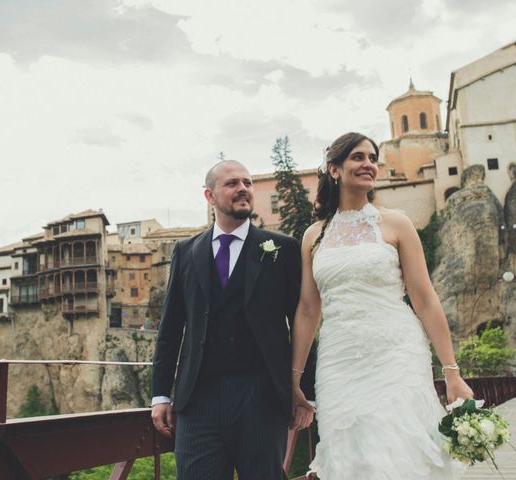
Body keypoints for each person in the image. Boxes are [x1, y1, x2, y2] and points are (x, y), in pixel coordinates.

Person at [290, 132, 474, 479]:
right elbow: (307, 310)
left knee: (399, 449)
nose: (368, 164)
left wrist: (452, 372)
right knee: (352, 455)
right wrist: (294, 378)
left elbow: (425, 299)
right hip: (338, 360)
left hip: (396, 353)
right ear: (334, 169)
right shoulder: (314, 236)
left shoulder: (397, 223)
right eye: (358, 157)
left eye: (372, 158)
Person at [151, 160, 315, 480]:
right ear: (210, 197)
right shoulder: (186, 252)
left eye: (247, 182)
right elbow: (170, 328)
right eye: (232, 183)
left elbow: (302, 323)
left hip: (262, 395)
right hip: (197, 399)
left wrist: (304, 392)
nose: (243, 188)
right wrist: (160, 396)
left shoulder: (282, 248)